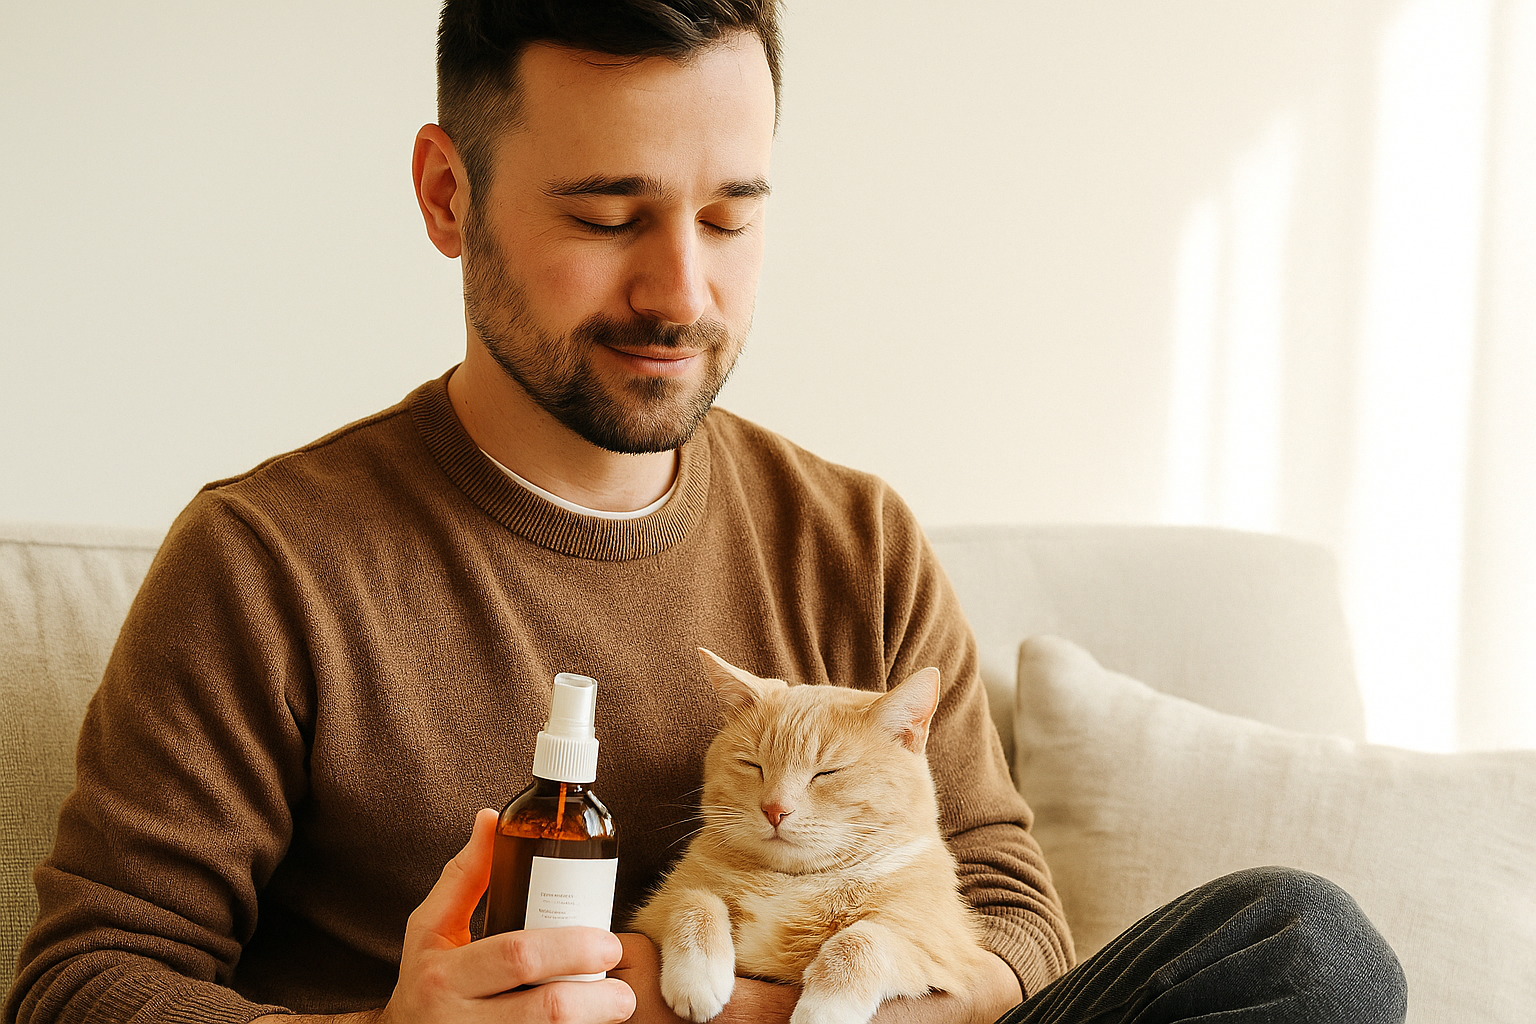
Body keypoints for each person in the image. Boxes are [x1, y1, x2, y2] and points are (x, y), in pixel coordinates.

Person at [5, 3, 1406, 1024]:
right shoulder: (271, 562)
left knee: (1305, 949)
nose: (682, 290)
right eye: (611, 216)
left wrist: (755, 1007)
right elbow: (82, 983)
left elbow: (1017, 921)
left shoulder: (855, 540)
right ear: (448, 194)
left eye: (730, 216)